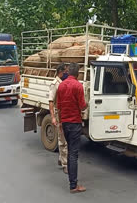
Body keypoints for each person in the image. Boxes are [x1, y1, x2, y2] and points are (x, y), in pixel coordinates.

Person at [57, 63, 87, 193]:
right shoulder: (78, 86)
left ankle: (72, 181)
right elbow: (82, 106)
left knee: (70, 151)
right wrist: (87, 105)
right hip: (75, 123)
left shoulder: (61, 85)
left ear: (68, 73)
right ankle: (73, 185)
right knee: (73, 154)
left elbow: (59, 106)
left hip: (65, 122)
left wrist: (59, 123)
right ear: (78, 74)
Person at [49, 63, 69, 174]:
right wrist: (53, 117)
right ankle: (65, 164)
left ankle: (61, 158)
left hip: (65, 112)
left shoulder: (64, 83)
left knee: (65, 138)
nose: (67, 73)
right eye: (65, 71)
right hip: (58, 114)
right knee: (63, 140)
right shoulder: (55, 84)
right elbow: (51, 101)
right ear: (60, 72)